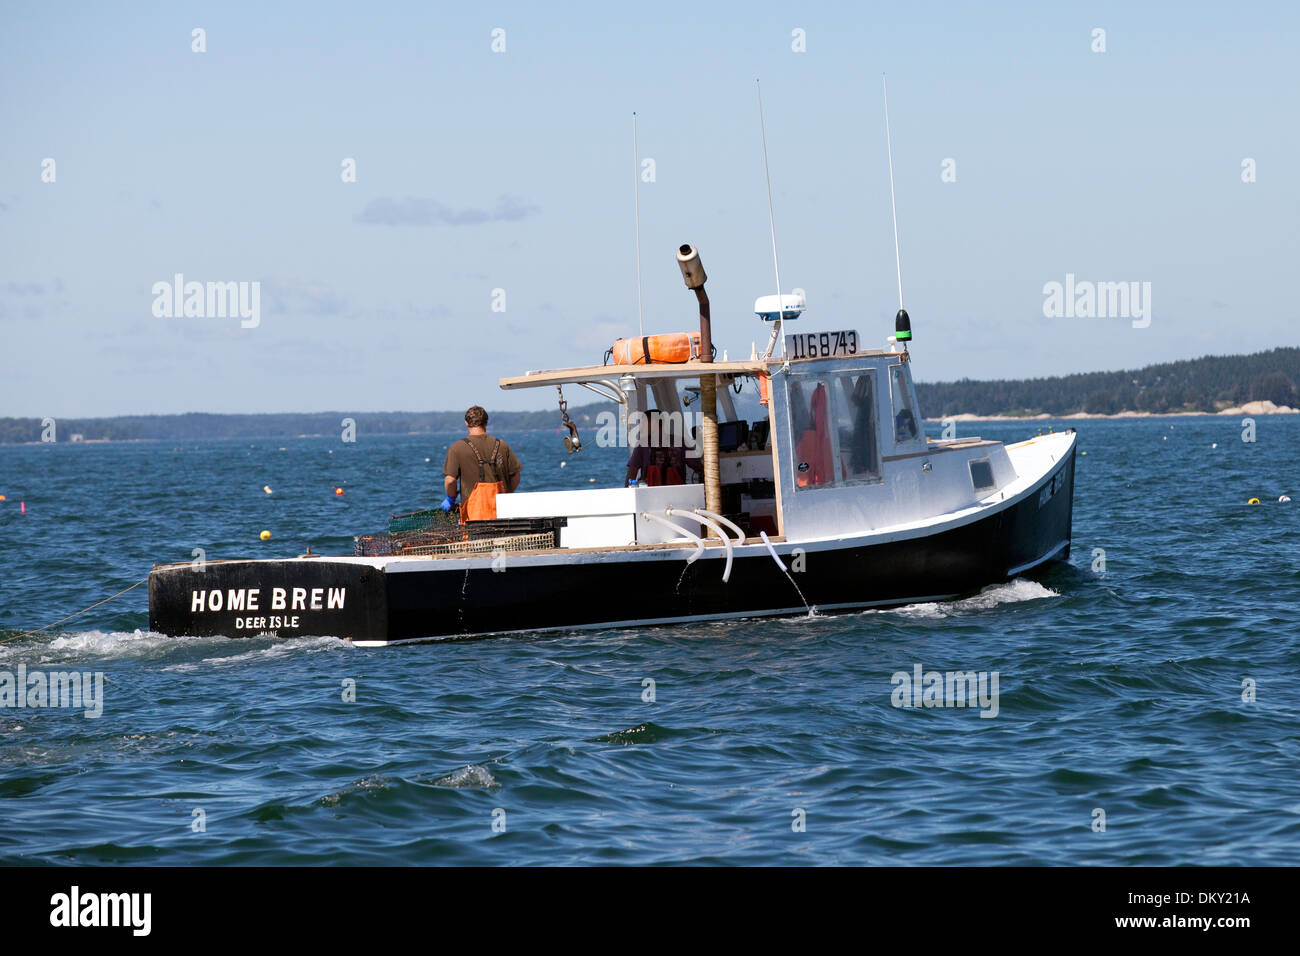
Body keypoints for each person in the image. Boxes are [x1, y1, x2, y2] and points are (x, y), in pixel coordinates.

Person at [442, 406, 521, 522]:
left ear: (466, 423)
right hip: (502, 518)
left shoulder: (457, 448)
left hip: (473, 520)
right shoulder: (502, 445)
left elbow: (450, 480)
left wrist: (450, 499)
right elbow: (516, 476)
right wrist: (506, 496)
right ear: (486, 422)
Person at [624, 410, 701, 486]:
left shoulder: (642, 444)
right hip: (678, 494)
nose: (640, 427)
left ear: (654, 423)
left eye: (643, 423)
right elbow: (698, 466)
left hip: (650, 495)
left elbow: (632, 474)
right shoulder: (680, 441)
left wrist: (626, 494)